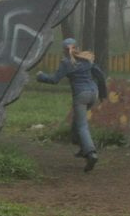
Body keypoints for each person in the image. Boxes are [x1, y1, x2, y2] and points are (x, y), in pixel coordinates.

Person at [37, 38, 105, 172]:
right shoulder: (87, 58)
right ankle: (82, 148)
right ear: (77, 47)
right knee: (77, 122)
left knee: (82, 126)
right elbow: (100, 76)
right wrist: (103, 94)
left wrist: (41, 76)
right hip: (93, 93)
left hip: (81, 95)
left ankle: (91, 153)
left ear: (64, 50)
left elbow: (54, 80)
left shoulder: (66, 63)